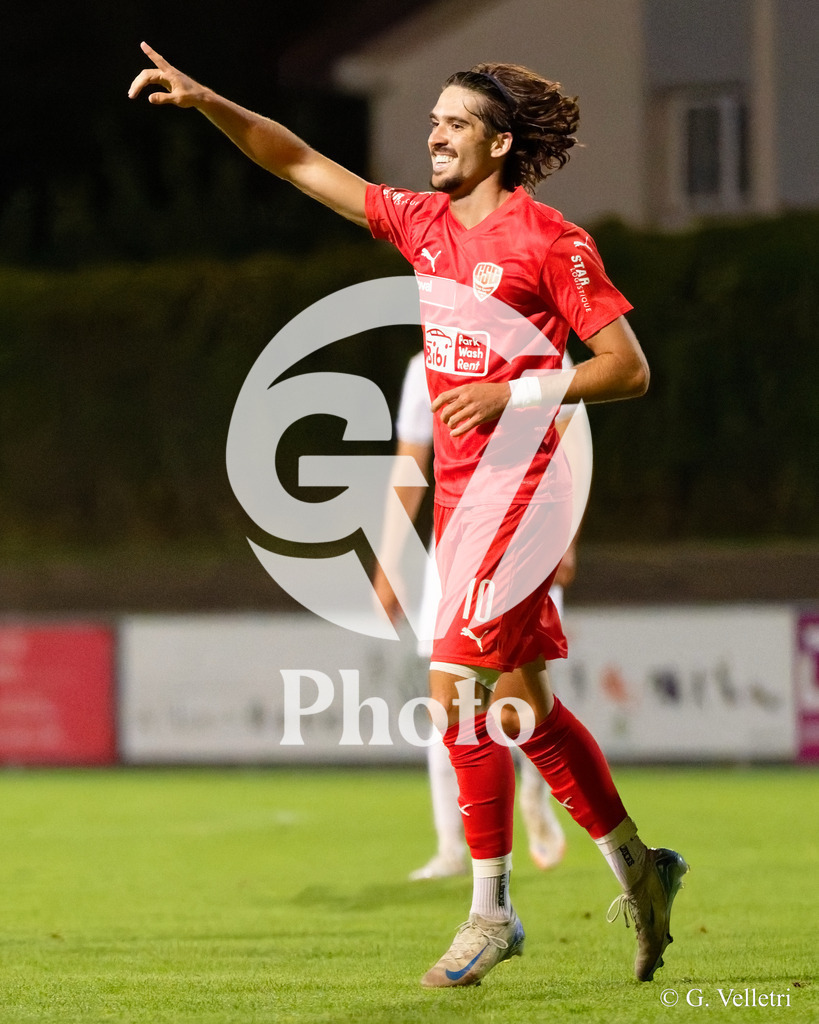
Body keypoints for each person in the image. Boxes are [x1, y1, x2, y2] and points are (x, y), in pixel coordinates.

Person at [129, 47, 688, 989]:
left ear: (499, 144)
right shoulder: (421, 223)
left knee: (453, 690)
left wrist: (515, 393)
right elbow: (294, 161)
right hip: (463, 500)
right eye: (431, 119)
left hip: (523, 492)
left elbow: (625, 369)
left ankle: (490, 913)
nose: (434, 134)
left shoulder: (550, 242)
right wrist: (210, 100)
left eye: (454, 122)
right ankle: (640, 867)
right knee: (521, 706)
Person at [374, 349, 575, 879]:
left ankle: (536, 794)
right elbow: (410, 465)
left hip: (527, 537)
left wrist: (568, 537)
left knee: (519, 707)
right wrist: (389, 561)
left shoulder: (539, 345)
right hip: (456, 548)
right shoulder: (425, 364)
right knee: (448, 702)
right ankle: (451, 848)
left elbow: (570, 442)